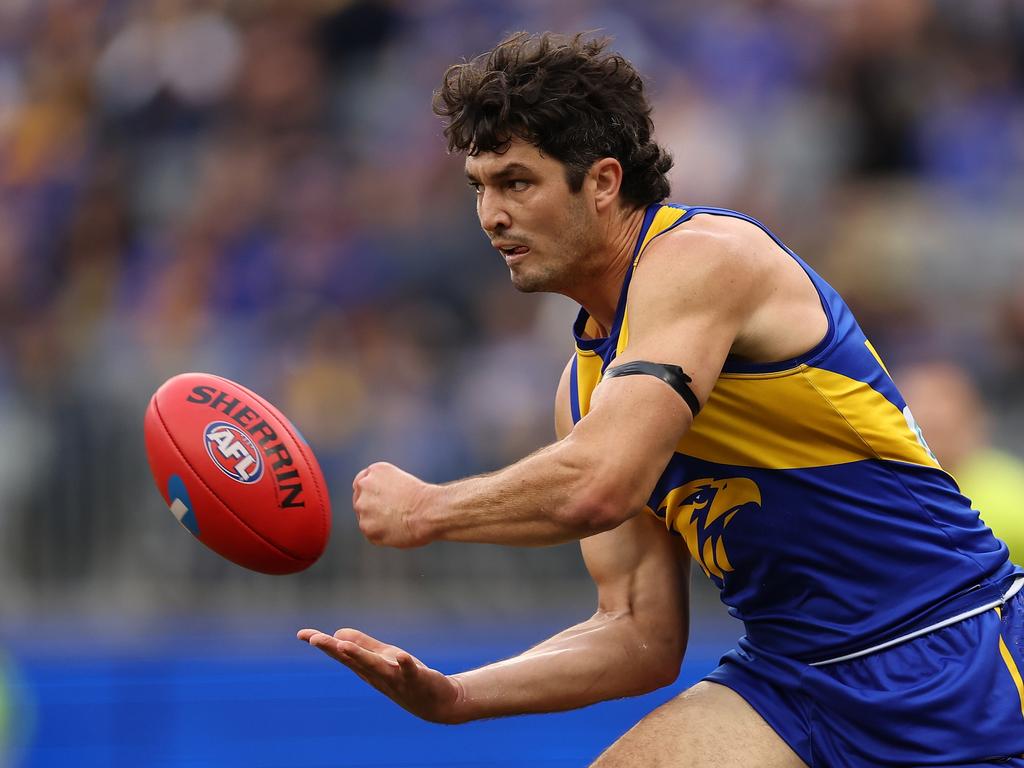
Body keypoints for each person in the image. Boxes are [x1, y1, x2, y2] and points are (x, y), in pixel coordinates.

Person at [298, 32, 1024, 767]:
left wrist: (427, 510)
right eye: (479, 186)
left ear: (604, 182)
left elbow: (601, 484)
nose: (491, 215)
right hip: (792, 680)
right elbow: (638, 633)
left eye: (517, 182)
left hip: (950, 645)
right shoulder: (583, 395)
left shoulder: (704, 258)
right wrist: (457, 697)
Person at [897, 359, 1024, 565]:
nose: (931, 412)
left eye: (941, 425)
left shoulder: (1012, 492)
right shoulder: (881, 491)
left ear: (977, 421)